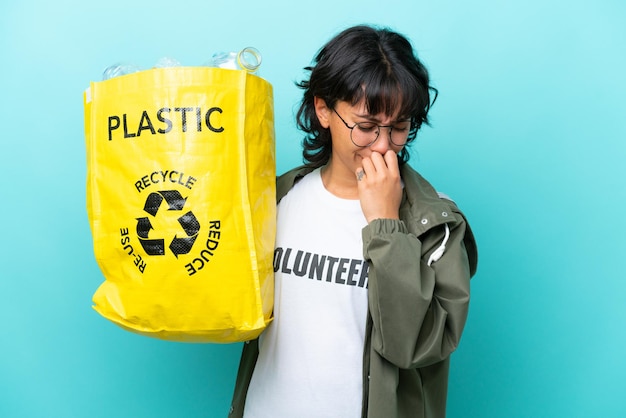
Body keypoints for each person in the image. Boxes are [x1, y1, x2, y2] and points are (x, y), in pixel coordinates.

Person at [229, 24, 478, 418]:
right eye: (365, 127)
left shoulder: (435, 222)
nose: (383, 145)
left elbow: (415, 346)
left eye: (399, 128)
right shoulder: (276, 199)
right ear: (323, 109)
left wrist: (385, 223)